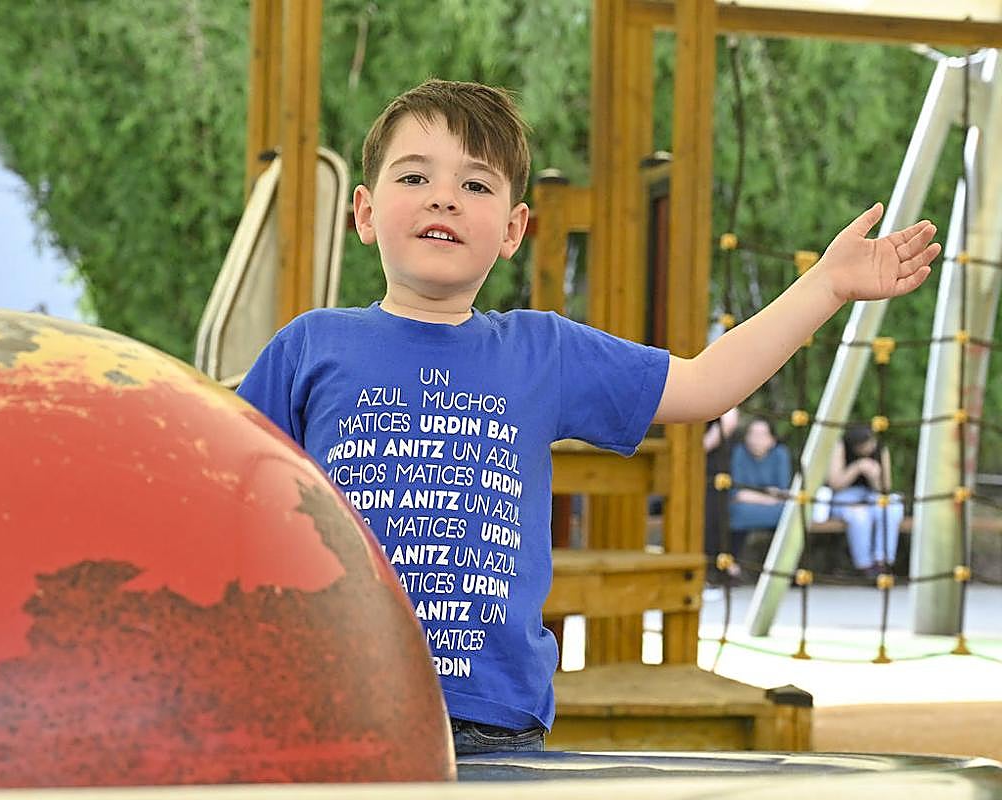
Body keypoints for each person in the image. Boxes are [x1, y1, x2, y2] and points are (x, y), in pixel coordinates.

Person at [236, 79, 940, 755]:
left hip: (493, 723)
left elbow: (702, 384)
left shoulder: (542, 349)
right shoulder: (310, 345)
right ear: (364, 212)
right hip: (334, 704)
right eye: (414, 178)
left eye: (475, 184)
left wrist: (826, 285)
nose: (444, 198)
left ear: (514, 230)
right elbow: (229, 487)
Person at [821, 424, 905, 575]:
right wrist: (857, 468)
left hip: (872, 495)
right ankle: (865, 566)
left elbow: (885, 488)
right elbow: (834, 484)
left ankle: (882, 561)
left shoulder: (880, 449)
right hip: (845, 496)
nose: (871, 447)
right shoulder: (841, 446)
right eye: (866, 445)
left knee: (892, 507)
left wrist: (874, 478)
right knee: (859, 515)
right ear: (857, 446)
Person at [727, 416, 792, 561]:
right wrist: (768, 496)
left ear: (772, 439)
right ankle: (732, 567)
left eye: (762, 435)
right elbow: (738, 493)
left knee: (789, 515)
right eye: (752, 434)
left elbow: (782, 492)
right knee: (737, 512)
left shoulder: (780, 453)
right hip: (746, 507)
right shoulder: (739, 453)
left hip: (771, 507)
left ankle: (785, 565)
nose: (756, 439)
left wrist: (757, 496)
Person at [703, 407, 740, 584]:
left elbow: (729, 419)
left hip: (714, 468)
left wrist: (699, 448)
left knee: (713, 518)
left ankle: (715, 572)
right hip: (704, 468)